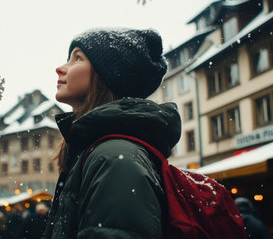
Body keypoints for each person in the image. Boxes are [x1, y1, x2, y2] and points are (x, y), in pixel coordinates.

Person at [44, 28, 181, 238]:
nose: (60, 68)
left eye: (77, 58)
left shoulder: (114, 158)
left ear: (108, 75)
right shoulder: (103, 152)